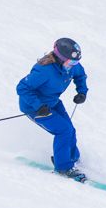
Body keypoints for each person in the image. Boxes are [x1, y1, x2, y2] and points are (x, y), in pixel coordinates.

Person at [17, 37, 90, 181]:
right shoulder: (44, 70)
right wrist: (38, 106)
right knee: (64, 130)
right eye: (71, 62)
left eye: (76, 62)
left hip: (53, 102)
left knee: (70, 129)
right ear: (61, 58)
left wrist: (82, 92)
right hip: (35, 107)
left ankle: (72, 159)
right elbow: (22, 88)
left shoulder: (72, 66)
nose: (74, 65)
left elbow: (80, 75)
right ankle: (63, 167)